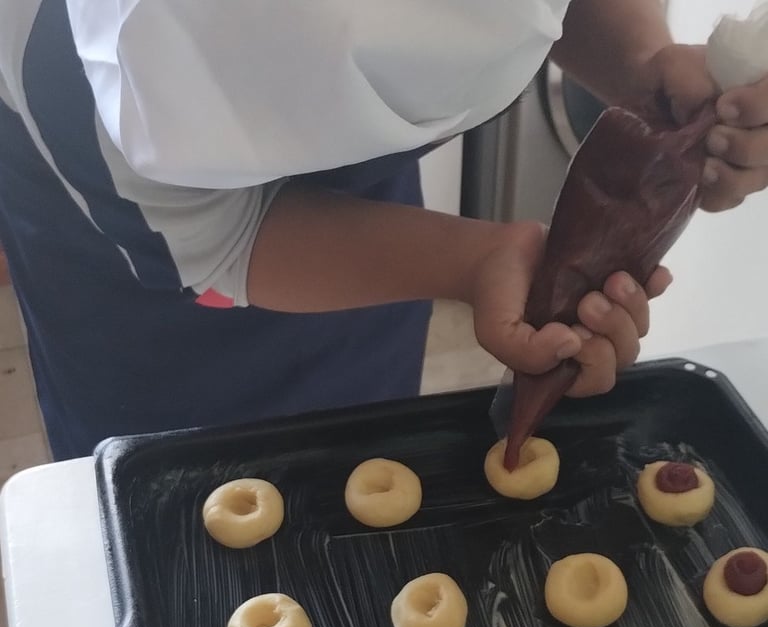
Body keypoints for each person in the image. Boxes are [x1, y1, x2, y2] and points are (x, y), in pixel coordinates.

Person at [0, 0, 766, 460]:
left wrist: (642, 65)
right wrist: (470, 260)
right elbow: (224, 239)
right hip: (133, 276)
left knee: (363, 440)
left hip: (343, 198)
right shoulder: (101, 55)